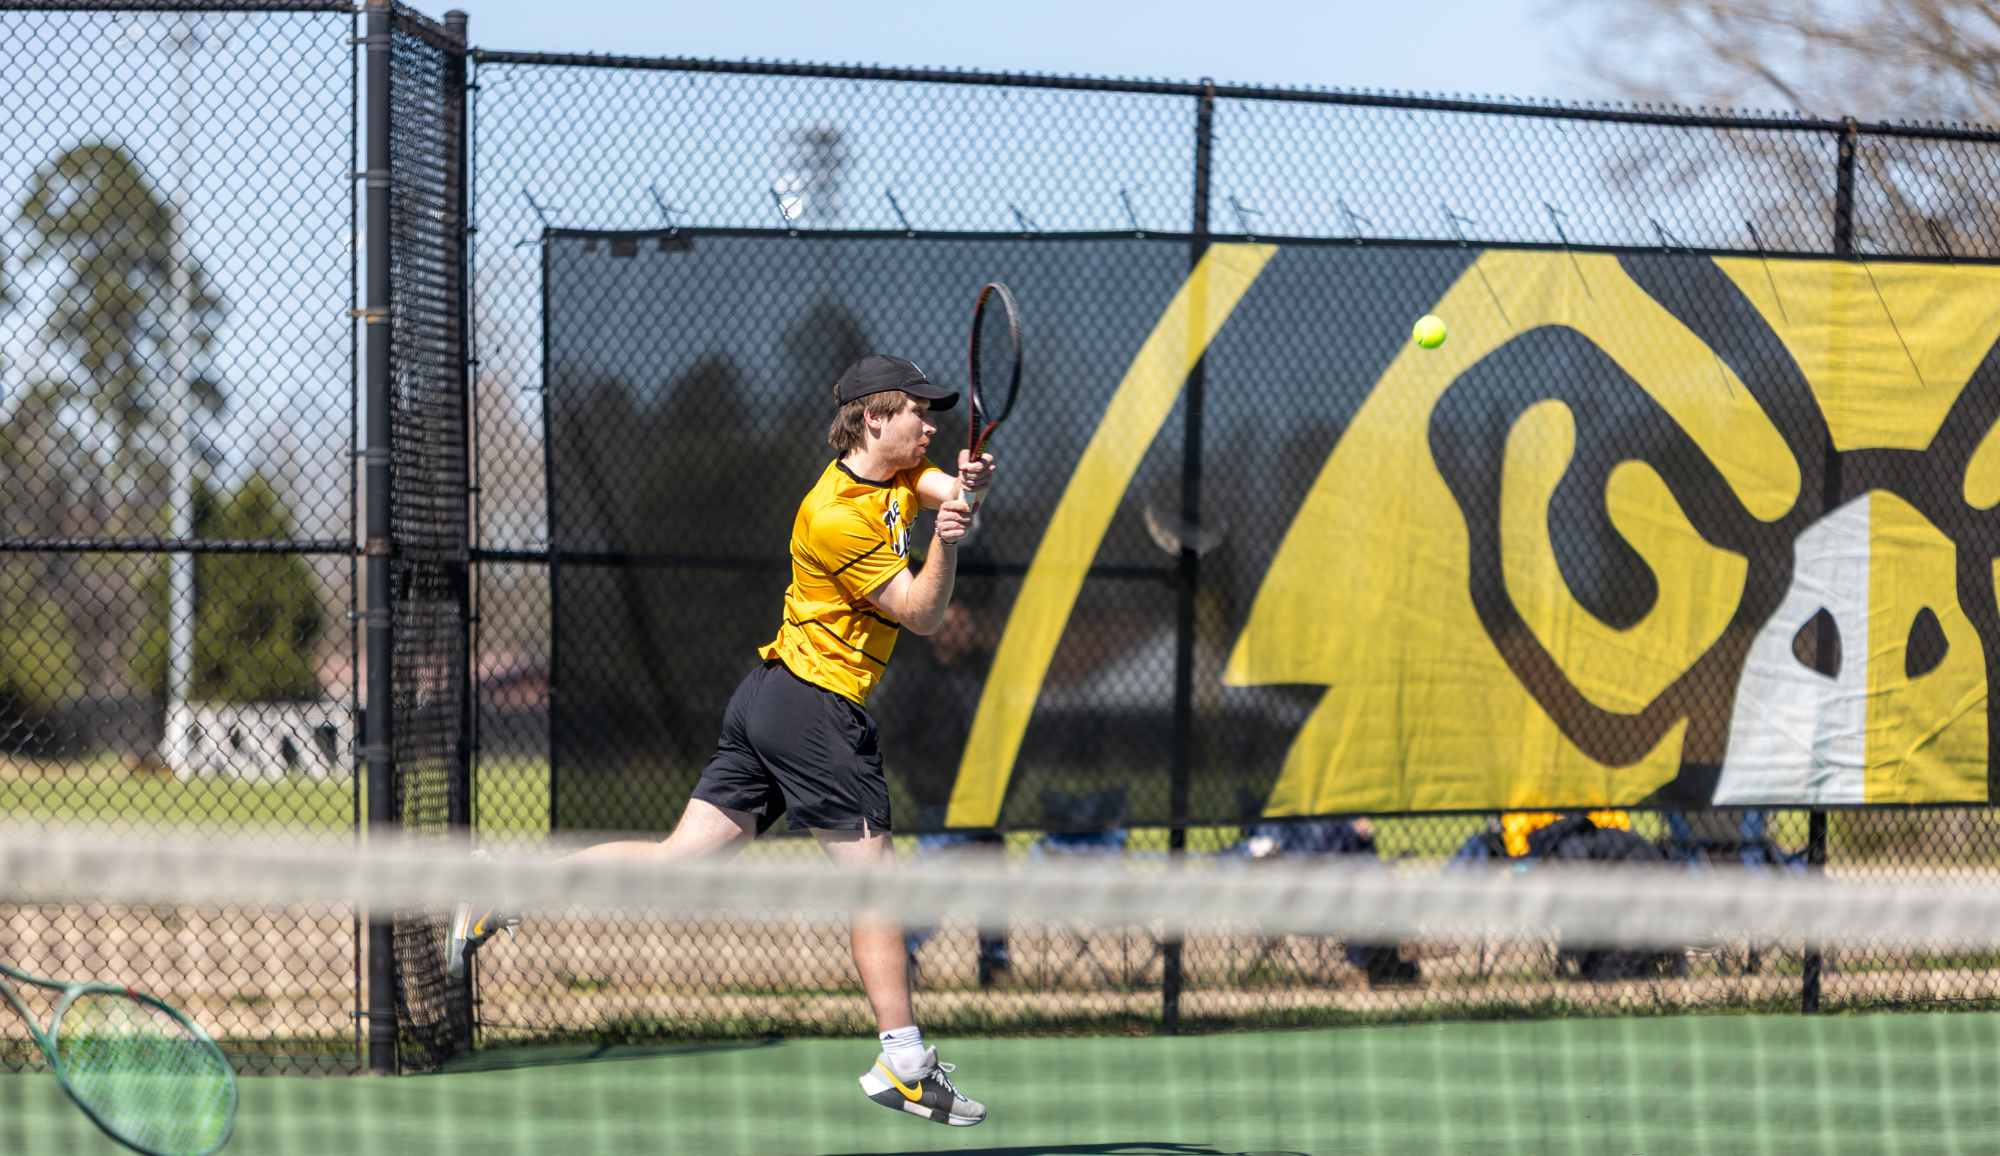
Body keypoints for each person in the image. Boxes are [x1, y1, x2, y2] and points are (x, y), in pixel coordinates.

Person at [450, 353, 995, 1128]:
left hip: (771, 699)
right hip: (815, 712)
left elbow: (946, 486)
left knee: (677, 862)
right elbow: (921, 612)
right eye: (918, 412)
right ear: (874, 418)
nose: (931, 425)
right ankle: (903, 1061)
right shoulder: (834, 513)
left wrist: (966, 483)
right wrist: (946, 540)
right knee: (876, 884)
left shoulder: (894, 477)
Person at [877, 602, 1011, 987]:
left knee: (993, 881)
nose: (966, 632)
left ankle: (995, 960)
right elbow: (893, 737)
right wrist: (927, 781)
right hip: (940, 803)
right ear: (937, 631)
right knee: (933, 886)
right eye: (956, 625)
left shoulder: (982, 672)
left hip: (985, 801)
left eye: (968, 624)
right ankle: (900, 955)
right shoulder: (916, 677)